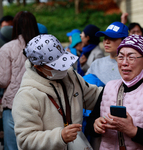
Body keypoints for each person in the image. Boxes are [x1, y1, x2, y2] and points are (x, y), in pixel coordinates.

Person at [11, 34, 102, 150]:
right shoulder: (26, 95)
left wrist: (116, 91)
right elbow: (25, 140)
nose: (63, 68)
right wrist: (60, 137)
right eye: (56, 65)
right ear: (38, 67)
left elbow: (93, 96)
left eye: (63, 62)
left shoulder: (71, 76)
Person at [86, 34, 143, 150]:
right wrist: (95, 126)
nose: (124, 63)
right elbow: (90, 125)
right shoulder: (109, 87)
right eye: (121, 57)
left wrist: (133, 131)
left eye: (131, 57)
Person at [0, 11, 39, 150]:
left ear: (15, 26)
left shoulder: (7, 48)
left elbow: (3, 80)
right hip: (39, 103)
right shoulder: (43, 46)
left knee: (12, 147)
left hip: (13, 104)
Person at [84, 21, 129, 86]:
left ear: (124, 41)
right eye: (105, 38)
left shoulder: (130, 66)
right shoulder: (96, 64)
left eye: (112, 38)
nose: (106, 41)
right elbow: (84, 87)